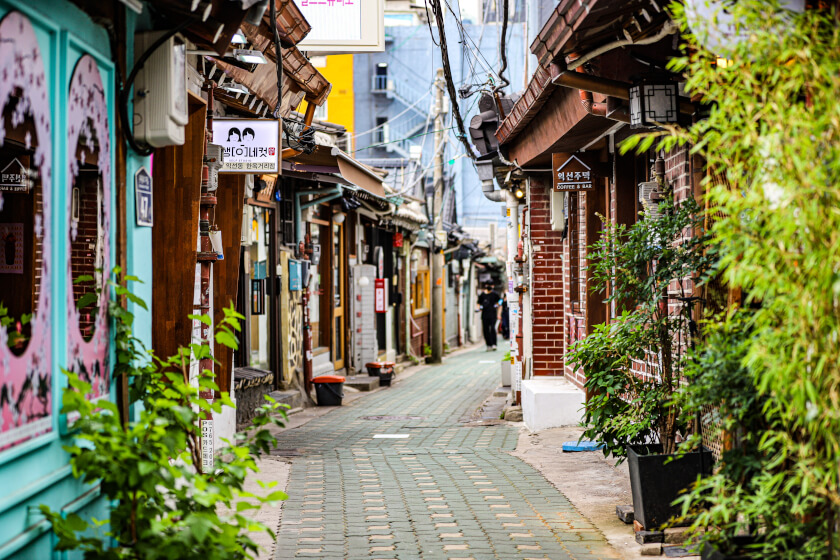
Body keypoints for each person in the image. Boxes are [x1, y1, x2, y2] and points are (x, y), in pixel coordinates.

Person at [477, 284, 499, 351]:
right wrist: (480, 308)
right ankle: (488, 345)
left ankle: (494, 344)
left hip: (493, 314)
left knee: (492, 328)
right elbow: (478, 303)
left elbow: (500, 301)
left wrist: (496, 305)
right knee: (485, 330)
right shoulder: (482, 295)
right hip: (485, 315)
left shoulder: (495, 294)